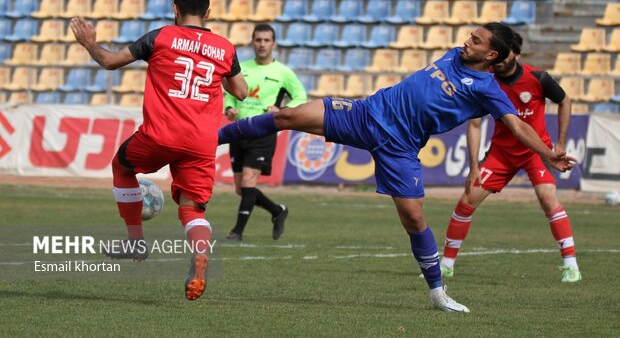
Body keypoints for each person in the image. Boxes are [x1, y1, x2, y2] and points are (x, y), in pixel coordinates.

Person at [218, 22, 575, 313]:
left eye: (476, 40)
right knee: (286, 116)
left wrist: (548, 152)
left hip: (400, 147)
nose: (467, 41)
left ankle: (437, 293)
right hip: (366, 113)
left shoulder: (488, 89)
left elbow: (516, 126)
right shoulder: (455, 55)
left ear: (491, 54)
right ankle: (210, 140)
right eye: (470, 36)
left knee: (414, 219)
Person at [71, 0, 248, 301]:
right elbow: (241, 91)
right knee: (192, 209)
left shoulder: (160, 37)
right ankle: (198, 257)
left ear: (175, 8)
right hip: (201, 143)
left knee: (122, 167)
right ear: (208, 13)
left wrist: (89, 44)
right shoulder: (224, 48)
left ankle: (136, 241)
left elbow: (110, 62)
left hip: (161, 134)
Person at [439, 31, 582, 283]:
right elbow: (474, 125)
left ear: (516, 54)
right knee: (466, 202)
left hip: (536, 152)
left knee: (548, 199)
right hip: (501, 154)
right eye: (498, 57)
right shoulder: (486, 81)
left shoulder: (538, 78)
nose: (501, 61)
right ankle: (446, 265)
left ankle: (571, 265)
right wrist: (473, 167)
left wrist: (559, 144)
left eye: (507, 55)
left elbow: (565, 101)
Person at [224, 24, 307, 242]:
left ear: (274, 43)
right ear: (252, 42)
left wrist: (282, 110)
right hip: (239, 130)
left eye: (266, 40)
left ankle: (237, 232)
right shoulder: (243, 68)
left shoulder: (283, 72)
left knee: (249, 181)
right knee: (241, 188)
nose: (262, 44)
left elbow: (301, 97)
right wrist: (229, 107)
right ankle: (277, 210)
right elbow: (231, 92)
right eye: (258, 40)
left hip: (263, 132)